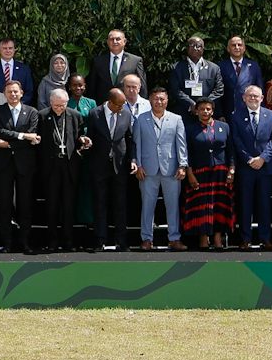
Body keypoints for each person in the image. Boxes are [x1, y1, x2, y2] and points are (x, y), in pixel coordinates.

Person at [132, 89, 188, 251]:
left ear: (167, 100)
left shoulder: (176, 119)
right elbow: (137, 144)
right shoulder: (141, 119)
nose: (159, 102)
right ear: (150, 100)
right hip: (147, 169)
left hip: (171, 169)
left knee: (173, 206)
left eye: (162, 99)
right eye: (156, 99)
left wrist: (182, 165)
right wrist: (138, 165)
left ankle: (174, 238)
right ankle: (147, 239)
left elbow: (181, 144)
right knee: (147, 205)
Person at [0, 81, 41, 253]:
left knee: (25, 204)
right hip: (3, 164)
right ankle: (7, 242)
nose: (13, 94)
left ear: (22, 93)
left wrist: (10, 144)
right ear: (4, 93)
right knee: (4, 204)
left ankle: (25, 242)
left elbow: (33, 137)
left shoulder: (32, 112)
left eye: (15, 92)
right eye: (9, 92)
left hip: (25, 164)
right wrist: (22, 136)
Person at [84, 89, 136, 252]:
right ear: (110, 102)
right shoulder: (95, 113)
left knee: (120, 203)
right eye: (119, 105)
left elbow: (130, 139)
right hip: (99, 165)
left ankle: (121, 240)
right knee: (100, 203)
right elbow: (90, 136)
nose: (121, 108)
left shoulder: (126, 114)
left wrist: (133, 160)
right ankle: (100, 240)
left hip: (119, 166)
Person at [231, 85, 272, 251]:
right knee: (245, 205)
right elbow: (236, 141)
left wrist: (263, 158)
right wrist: (249, 159)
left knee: (264, 204)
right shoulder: (236, 116)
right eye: (249, 96)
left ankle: (265, 239)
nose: (253, 98)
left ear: (262, 98)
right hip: (246, 167)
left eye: (256, 96)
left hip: (265, 168)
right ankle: (245, 239)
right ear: (244, 98)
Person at [182, 98, 234, 250]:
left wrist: (232, 169)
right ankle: (203, 238)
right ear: (196, 111)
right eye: (202, 109)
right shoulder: (190, 129)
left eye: (208, 109)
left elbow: (230, 150)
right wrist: (189, 173)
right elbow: (187, 153)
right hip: (199, 172)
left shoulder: (224, 126)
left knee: (219, 206)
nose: (205, 112)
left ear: (213, 111)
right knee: (202, 206)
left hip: (221, 172)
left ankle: (218, 238)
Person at [35, 88, 83, 253]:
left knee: (69, 206)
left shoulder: (74, 115)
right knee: (52, 206)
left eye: (62, 105)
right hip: (51, 167)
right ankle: (52, 240)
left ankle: (69, 241)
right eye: (56, 106)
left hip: (69, 167)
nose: (59, 108)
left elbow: (79, 137)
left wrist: (83, 140)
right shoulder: (41, 116)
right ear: (50, 103)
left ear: (67, 102)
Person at [169, 38, 226, 115]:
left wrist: (204, 104)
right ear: (187, 48)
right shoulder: (176, 67)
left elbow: (219, 90)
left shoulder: (214, 68)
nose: (195, 48)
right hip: (184, 112)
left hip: (207, 113)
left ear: (203, 49)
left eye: (199, 46)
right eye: (192, 45)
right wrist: (191, 104)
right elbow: (175, 90)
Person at [216, 36, 264, 122]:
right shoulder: (220, 66)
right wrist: (219, 114)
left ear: (244, 48)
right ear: (228, 48)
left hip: (248, 111)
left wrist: (260, 111)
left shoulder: (253, 66)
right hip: (228, 113)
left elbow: (259, 89)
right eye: (233, 45)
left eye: (240, 45)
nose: (237, 47)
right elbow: (217, 91)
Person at [90, 30, 145, 98]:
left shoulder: (135, 61)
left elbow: (142, 86)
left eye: (118, 39)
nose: (114, 42)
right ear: (107, 42)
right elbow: (92, 86)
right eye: (112, 39)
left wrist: (143, 105)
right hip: (103, 104)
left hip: (126, 104)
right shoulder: (98, 61)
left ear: (124, 41)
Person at [0, 39, 35, 107]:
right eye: (5, 48)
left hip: (19, 107)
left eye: (10, 48)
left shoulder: (24, 69)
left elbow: (29, 91)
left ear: (14, 50)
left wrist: (19, 104)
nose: (8, 51)